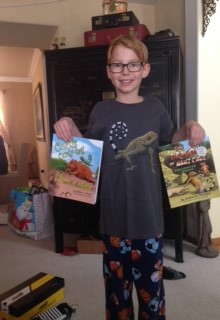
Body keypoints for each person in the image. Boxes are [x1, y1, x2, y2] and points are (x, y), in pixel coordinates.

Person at [54, 35, 205, 320]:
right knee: (116, 297)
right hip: (113, 222)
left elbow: (171, 143)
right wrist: (68, 124)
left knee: (152, 295)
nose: (125, 72)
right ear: (109, 71)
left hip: (149, 222)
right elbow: (86, 153)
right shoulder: (101, 110)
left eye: (133, 65)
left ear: (145, 69)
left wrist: (190, 128)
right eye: (118, 65)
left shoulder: (156, 108)